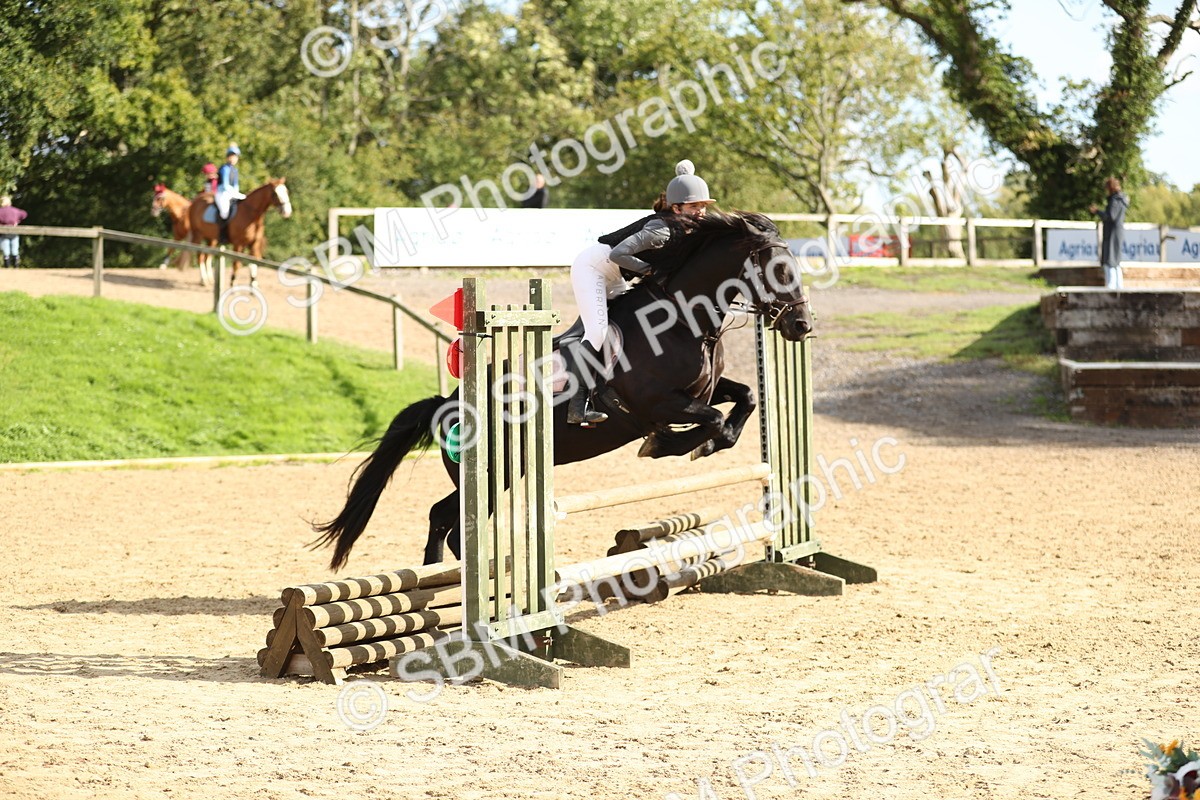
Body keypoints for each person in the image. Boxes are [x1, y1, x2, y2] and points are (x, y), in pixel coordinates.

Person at [563, 159, 716, 425]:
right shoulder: (661, 231)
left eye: (703, 206)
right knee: (597, 331)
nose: (701, 211)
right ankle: (577, 406)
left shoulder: (686, 227)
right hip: (594, 268)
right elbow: (619, 253)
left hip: (615, 273)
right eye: (695, 206)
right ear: (676, 207)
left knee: (624, 323)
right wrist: (647, 271)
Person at [1089, 177, 1128, 290]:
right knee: (1115, 260)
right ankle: (1118, 286)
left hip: (1112, 232)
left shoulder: (1115, 200)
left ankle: (1111, 286)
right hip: (1117, 232)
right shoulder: (1120, 199)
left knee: (1110, 259)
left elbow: (1111, 216)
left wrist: (1098, 212)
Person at [214, 144, 244, 243]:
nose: (234, 159)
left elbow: (236, 184)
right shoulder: (224, 168)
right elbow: (225, 185)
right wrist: (234, 192)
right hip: (222, 193)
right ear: (228, 157)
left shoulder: (235, 170)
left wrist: (237, 193)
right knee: (224, 212)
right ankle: (222, 234)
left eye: (235, 157)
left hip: (231, 193)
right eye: (232, 156)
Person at [0, 195, 29, 268]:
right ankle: (16, 264)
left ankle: (7, 264)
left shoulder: (1, 211)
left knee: (5, 248)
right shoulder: (15, 210)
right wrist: (17, 220)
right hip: (14, 230)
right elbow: (24, 214)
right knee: (15, 247)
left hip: (4, 231)